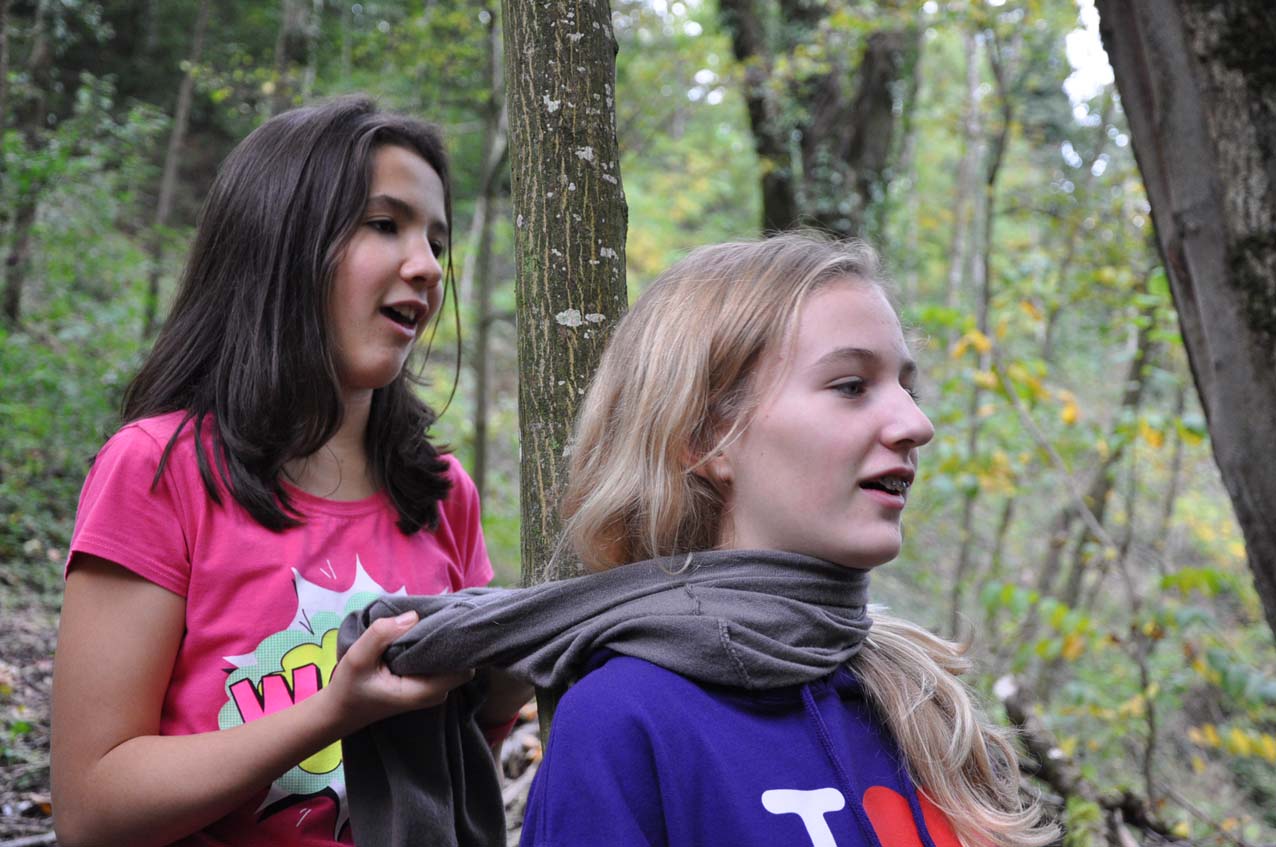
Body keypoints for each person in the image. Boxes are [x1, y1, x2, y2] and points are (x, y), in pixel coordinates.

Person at [50, 96, 527, 847]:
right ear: (282, 241)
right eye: (385, 224)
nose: (428, 266)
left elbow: (459, 776)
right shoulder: (157, 470)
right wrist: (333, 712)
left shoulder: (443, 494)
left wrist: (507, 681)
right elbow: (90, 808)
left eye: (437, 241)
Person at [513, 233, 1058, 847]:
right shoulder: (625, 721)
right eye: (851, 386)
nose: (916, 424)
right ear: (706, 437)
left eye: (909, 388)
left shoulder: (927, 706)